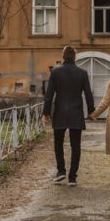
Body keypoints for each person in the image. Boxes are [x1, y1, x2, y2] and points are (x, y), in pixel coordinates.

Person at [42, 46, 95, 186]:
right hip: (76, 112)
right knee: (75, 145)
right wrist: (91, 111)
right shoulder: (82, 73)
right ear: (75, 57)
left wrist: (46, 113)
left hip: (59, 112)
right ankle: (72, 177)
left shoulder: (55, 72)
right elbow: (88, 94)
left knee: (58, 143)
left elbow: (49, 95)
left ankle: (61, 171)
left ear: (63, 55)